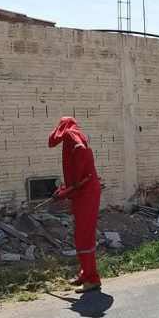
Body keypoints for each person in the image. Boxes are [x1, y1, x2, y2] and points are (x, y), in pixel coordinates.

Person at [48, 117, 102, 293]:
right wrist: (65, 189)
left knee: (84, 236)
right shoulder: (72, 136)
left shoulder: (71, 134)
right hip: (83, 192)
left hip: (86, 192)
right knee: (80, 234)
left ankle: (92, 279)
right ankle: (86, 274)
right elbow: (76, 171)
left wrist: (70, 189)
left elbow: (82, 152)